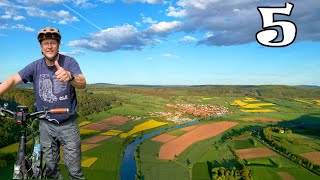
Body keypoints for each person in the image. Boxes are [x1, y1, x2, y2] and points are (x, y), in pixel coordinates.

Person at [0, 26, 86, 179]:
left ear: (58, 45)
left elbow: (82, 82)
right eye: (45, 43)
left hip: (68, 125)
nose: (49, 46)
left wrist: (70, 76)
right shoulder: (35, 66)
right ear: (41, 47)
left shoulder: (69, 62)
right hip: (45, 125)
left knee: (74, 171)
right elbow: (13, 79)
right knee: (51, 169)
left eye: (53, 42)